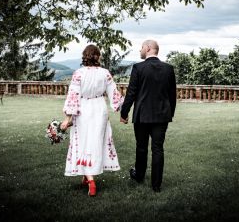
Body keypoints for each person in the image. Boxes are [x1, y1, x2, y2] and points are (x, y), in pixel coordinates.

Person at [60, 44, 124, 197]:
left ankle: (90, 180)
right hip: (99, 108)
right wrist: (124, 112)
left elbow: (73, 97)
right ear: (98, 56)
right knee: (95, 141)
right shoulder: (105, 73)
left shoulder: (78, 73)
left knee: (82, 142)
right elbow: (114, 94)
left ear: (85, 56)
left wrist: (67, 119)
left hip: (83, 109)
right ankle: (86, 175)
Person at [120, 39, 176, 193]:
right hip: (162, 116)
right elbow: (172, 96)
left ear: (149, 48)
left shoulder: (138, 68)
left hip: (142, 115)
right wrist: (170, 113)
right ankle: (156, 185)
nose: (140, 50)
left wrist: (124, 113)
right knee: (158, 149)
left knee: (141, 147)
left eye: (141, 47)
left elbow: (131, 93)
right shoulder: (168, 68)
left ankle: (139, 176)